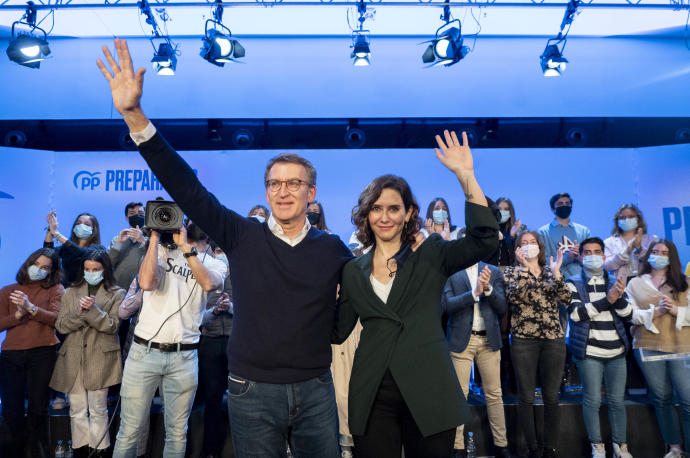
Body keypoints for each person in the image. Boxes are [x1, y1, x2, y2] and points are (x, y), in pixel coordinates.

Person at [98, 38, 353, 457]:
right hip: (251, 389)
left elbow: (347, 314)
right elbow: (188, 188)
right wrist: (134, 116)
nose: (283, 191)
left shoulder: (333, 249)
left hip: (315, 388)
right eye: (274, 183)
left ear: (312, 193)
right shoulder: (243, 234)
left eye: (294, 183)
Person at [332, 130, 499, 457]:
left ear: (408, 213)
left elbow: (485, 241)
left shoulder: (432, 253)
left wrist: (466, 176)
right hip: (372, 393)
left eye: (393, 208)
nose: (384, 216)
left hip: (429, 388)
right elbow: (337, 330)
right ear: (366, 213)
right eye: (376, 208)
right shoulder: (353, 270)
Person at [111, 223, 226, 458]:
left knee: (176, 433)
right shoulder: (162, 250)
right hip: (144, 352)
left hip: (184, 356)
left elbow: (209, 284)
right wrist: (154, 238)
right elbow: (146, 283)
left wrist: (185, 247)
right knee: (129, 431)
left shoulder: (216, 263)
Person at [50, 250, 126, 458]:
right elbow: (61, 325)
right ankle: (81, 451)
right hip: (72, 358)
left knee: (98, 409)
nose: (91, 272)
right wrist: (81, 313)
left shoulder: (117, 293)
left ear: (105, 270)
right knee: (76, 409)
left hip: (101, 358)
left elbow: (112, 326)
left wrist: (93, 311)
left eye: (96, 269)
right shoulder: (70, 292)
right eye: (88, 269)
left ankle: (99, 452)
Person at [504, 231, 569, 458]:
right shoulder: (512, 272)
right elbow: (515, 296)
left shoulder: (551, 271)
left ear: (540, 247)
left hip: (553, 339)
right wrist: (523, 268)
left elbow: (566, 298)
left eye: (532, 242)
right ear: (517, 249)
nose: (529, 246)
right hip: (524, 340)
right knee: (527, 396)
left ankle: (550, 447)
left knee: (552, 396)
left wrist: (557, 272)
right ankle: (532, 448)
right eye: (524, 243)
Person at [566, 237, 633, 458]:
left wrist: (617, 297)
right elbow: (577, 314)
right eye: (587, 252)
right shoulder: (572, 282)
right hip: (589, 351)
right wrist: (608, 299)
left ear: (604, 257)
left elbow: (628, 315)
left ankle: (620, 446)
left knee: (617, 401)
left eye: (596, 251)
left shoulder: (615, 280)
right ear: (581, 256)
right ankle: (598, 446)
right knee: (592, 400)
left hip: (616, 352)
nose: (592, 255)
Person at [625, 239, 690, 458]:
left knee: (688, 399)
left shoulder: (685, 282)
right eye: (655, 251)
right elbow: (631, 316)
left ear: (671, 257)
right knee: (662, 399)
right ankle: (675, 448)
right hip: (647, 346)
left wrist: (675, 311)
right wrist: (657, 312)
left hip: (681, 347)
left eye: (664, 252)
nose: (659, 255)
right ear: (647, 255)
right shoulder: (634, 283)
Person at [442, 260, 511, 458]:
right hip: (461, 339)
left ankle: (501, 445)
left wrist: (487, 288)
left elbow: (501, 306)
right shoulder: (451, 269)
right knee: (458, 396)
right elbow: (447, 305)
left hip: (489, 340)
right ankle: (457, 446)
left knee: (494, 394)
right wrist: (474, 293)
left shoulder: (493, 271)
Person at [0, 247, 63, 458]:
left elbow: (56, 319)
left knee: (39, 408)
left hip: (43, 353)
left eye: (45, 267)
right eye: (36, 265)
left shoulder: (55, 289)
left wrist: (31, 308)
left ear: (51, 271)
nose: (39, 270)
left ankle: (38, 453)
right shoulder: (8, 290)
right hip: (12, 355)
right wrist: (17, 315)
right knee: (11, 410)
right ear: (28, 263)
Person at [199, 239, 234, 458]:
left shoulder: (243, 273)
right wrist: (214, 309)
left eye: (225, 250)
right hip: (209, 341)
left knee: (240, 400)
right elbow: (195, 310)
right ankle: (210, 451)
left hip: (235, 341)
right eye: (218, 250)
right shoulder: (205, 275)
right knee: (211, 399)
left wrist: (230, 307)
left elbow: (254, 311)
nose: (221, 254)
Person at [45, 211, 106, 287]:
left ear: (94, 230)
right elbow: (47, 254)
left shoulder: (99, 248)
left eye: (87, 224)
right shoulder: (66, 248)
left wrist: (57, 234)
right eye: (78, 223)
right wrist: (50, 230)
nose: (81, 226)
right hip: (66, 289)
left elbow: (82, 253)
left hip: (87, 290)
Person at [538, 193, 591, 278]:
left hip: (580, 279)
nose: (564, 206)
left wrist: (580, 256)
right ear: (552, 209)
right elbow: (542, 260)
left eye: (567, 203)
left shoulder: (583, 231)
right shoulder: (543, 232)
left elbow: (591, 259)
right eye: (560, 204)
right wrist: (567, 257)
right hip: (555, 279)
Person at [604, 204, 656, 282]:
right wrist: (626, 252)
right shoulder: (608, 242)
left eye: (631, 217)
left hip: (646, 282)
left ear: (638, 218)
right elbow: (606, 266)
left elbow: (655, 263)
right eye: (622, 217)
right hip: (620, 283)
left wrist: (639, 249)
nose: (627, 220)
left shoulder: (651, 239)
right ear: (617, 220)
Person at [108, 201, 146, 289]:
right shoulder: (117, 239)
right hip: (118, 290)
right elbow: (108, 264)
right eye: (132, 213)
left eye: (140, 213)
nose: (137, 216)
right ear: (127, 218)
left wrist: (143, 242)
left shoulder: (152, 241)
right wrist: (119, 243)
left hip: (143, 291)